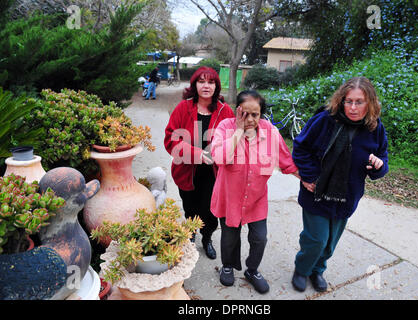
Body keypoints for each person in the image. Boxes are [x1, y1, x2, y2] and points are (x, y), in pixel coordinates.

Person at [291, 76, 389, 293]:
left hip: (347, 194)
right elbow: (300, 148)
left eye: (359, 102)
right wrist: (309, 177)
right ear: (341, 101)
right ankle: (302, 269)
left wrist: (379, 165)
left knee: (330, 243)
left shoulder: (375, 128)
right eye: (348, 101)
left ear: (370, 103)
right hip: (316, 191)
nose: (353, 107)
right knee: (316, 239)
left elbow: (382, 157)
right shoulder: (326, 119)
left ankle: (317, 270)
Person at [210, 90, 300, 294]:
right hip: (229, 196)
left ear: (261, 114)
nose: (250, 119)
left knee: (260, 237)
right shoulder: (225, 127)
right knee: (229, 236)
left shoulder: (270, 132)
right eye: (245, 114)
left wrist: (307, 180)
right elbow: (220, 157)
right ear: (237, 111)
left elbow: (287, 161)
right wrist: (238, 131)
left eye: (255, 115)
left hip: (256, 197)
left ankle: (252, 270)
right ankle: (227, 266)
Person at [164, 66, 235, 260]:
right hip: (188, 170)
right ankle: (190, 236)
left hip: (214, 173)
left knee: (211, 212)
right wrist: (195, 153)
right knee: (190, 208)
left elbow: (232, 140)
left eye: (211, 82)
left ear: (216, 86)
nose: (206, 86)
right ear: (195, 84)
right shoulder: (183, 108)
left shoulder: (224, 110)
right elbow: (170, 139)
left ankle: (207, 237)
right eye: (202, 81)